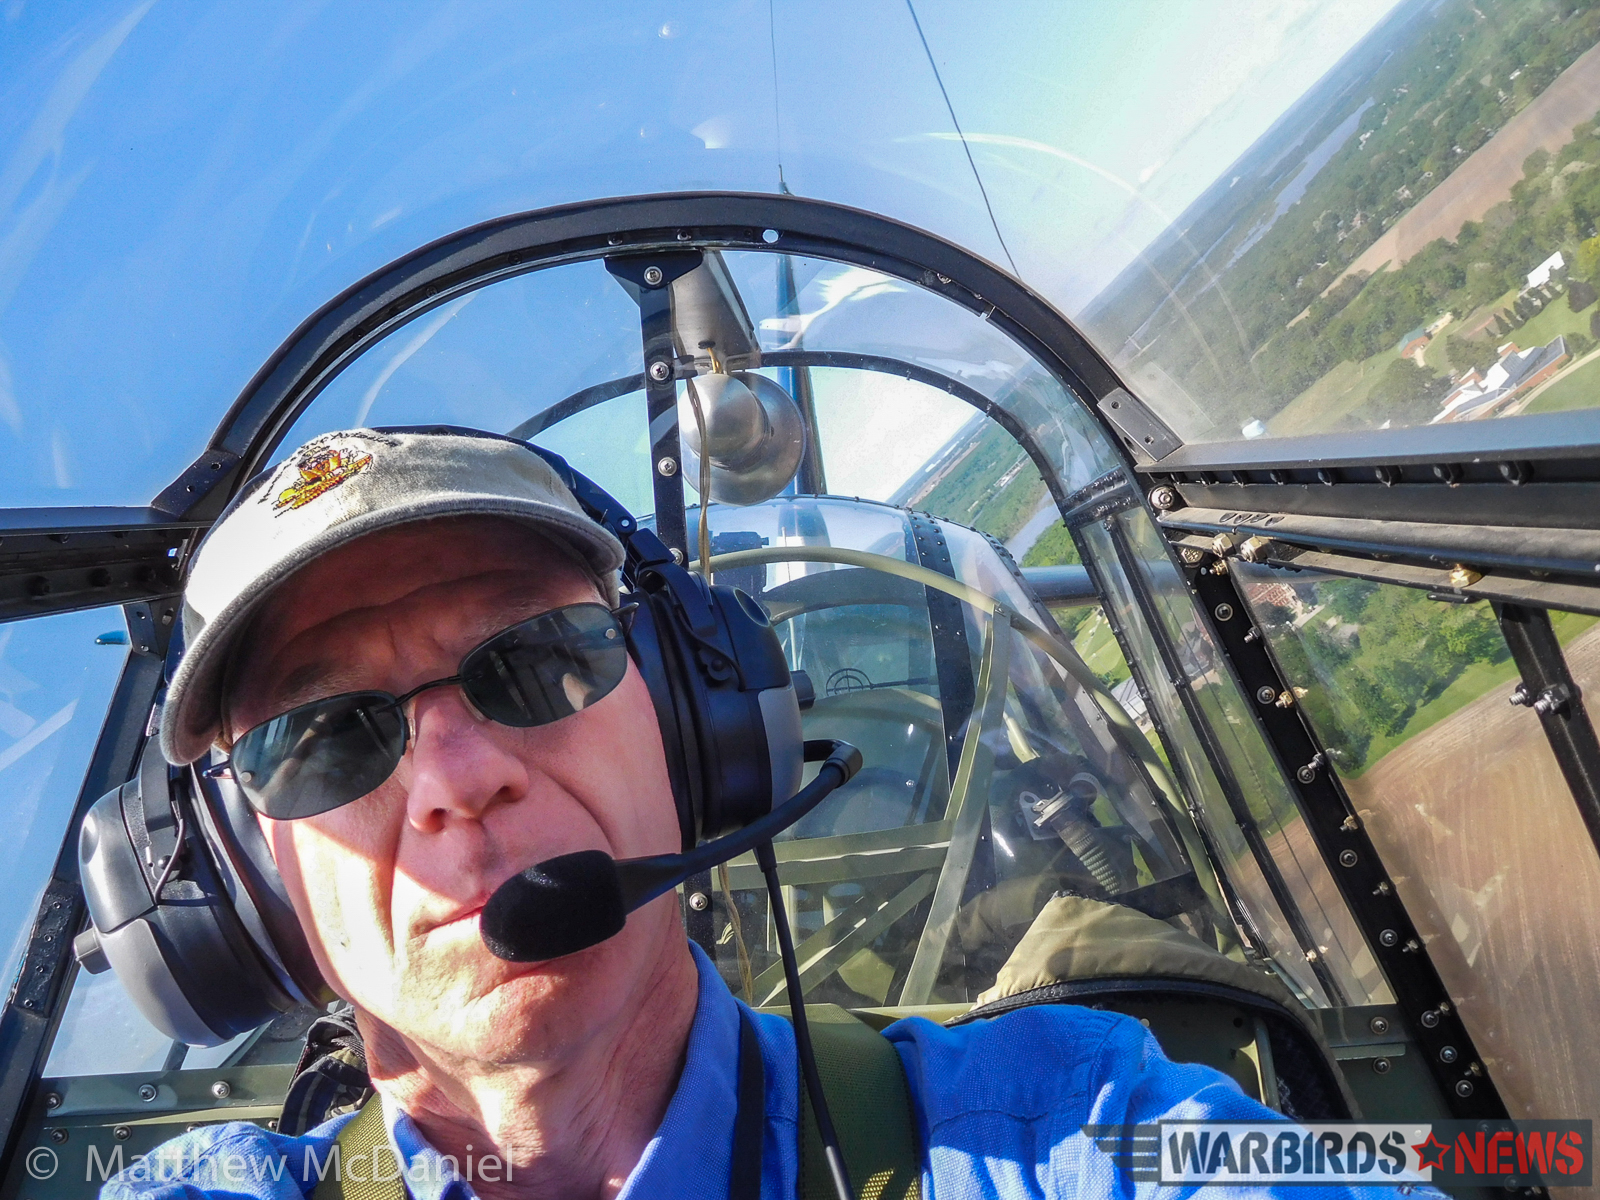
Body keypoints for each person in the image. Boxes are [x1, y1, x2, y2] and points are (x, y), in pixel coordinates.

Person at [106, 426, 1422, 1200]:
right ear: (246, 877)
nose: (456, 779)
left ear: (701, 721)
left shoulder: (1086, 1133)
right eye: (322, 739)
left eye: (535, 661)